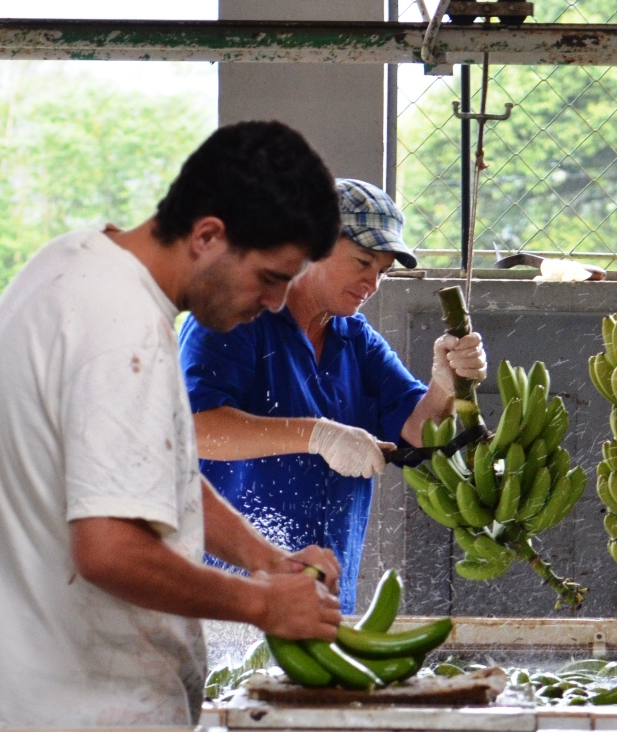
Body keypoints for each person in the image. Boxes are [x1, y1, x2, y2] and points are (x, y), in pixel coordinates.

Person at [0, 121, 344, 729]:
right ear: (208, 234)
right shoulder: (123, 332)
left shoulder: (69, 268)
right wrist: (261, 605)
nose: (276, 304)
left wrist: (264, 559)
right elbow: (108, 551)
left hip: (17, 712)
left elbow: (152, 471)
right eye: (270, 278)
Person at [178, 178, 487, 615]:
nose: (372, 282)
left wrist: (443, 384)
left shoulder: (356, 339)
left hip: (323, 595)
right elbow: (193, 429)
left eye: (381, 271)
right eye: (362, 262)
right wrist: (318, 435)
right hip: (229, 595)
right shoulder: (233, 315)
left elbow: (420, 432)